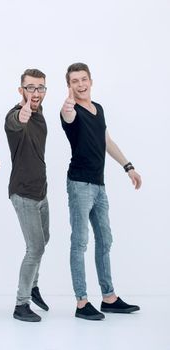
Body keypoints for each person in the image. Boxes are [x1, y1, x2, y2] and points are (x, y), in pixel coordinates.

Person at [60, 62, 142, 321]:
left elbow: (107, 141)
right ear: (69, 85)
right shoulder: (69, 111)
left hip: (99, 185)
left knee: (105, 240)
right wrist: (68, 104)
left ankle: (109, 298)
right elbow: (68, 116)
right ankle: (82, 302)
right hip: (79, 185)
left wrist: (128, 166)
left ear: (91, 80)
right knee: (80, 242)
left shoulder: (99, 109)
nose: (81, 84)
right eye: (75, 81)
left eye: (84, 79)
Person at [5, 69, 50, 322]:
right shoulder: (15, 115)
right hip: (23, 193)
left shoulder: (40, 114)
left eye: (40, 87)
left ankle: (33, 287)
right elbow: (15, 121)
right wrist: (21, 114)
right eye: (30, 87)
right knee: (35, 248)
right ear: (21, 90)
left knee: (44, 241)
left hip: (41, 192)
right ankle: (21, 304)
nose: (35, 93)